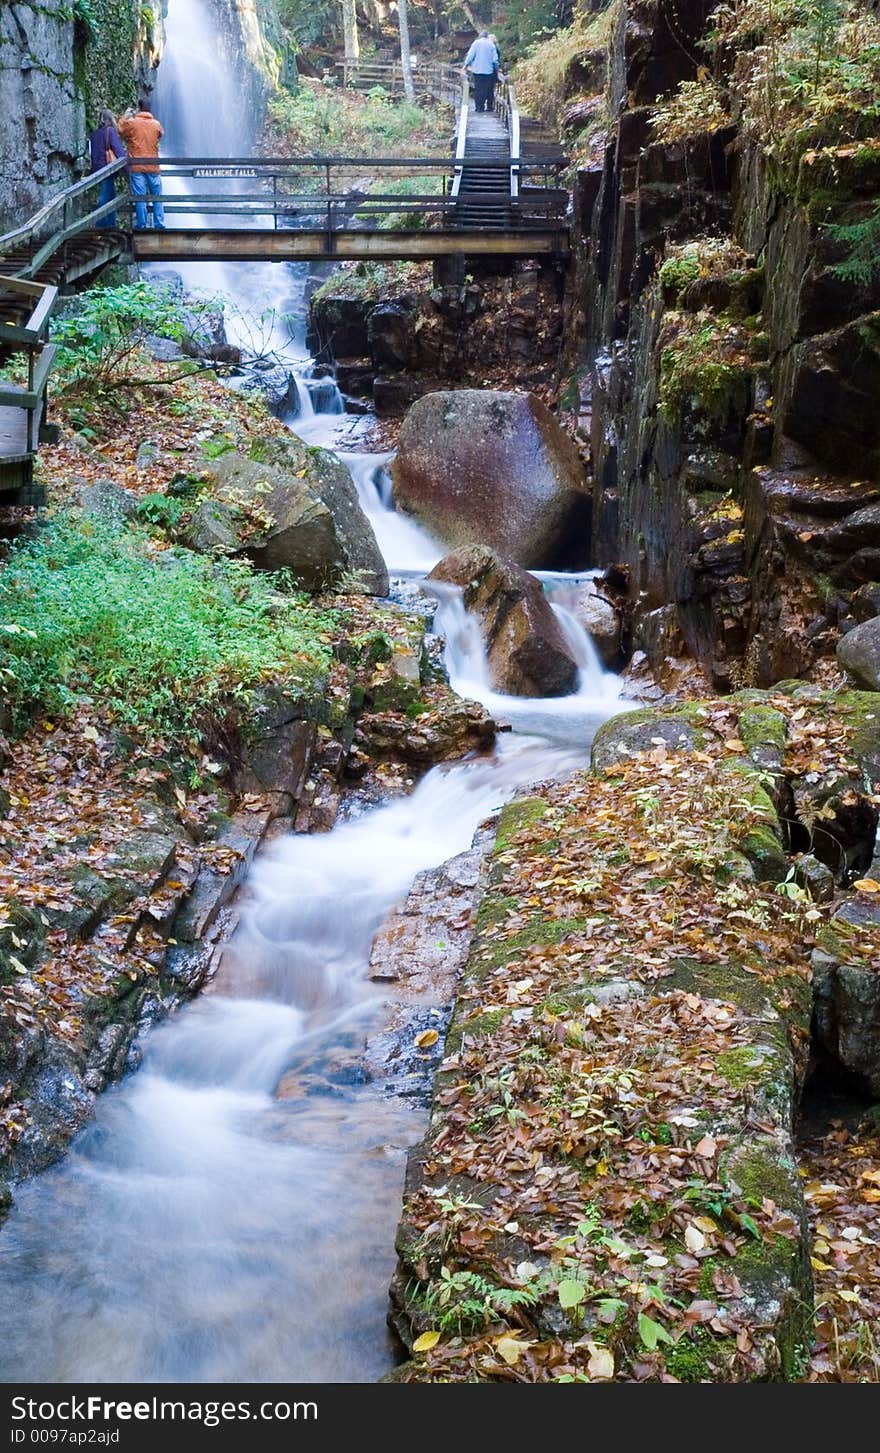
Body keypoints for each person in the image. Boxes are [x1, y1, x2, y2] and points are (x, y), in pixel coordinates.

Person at [118, 98, 166, 230]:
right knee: (157, 196)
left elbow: (120, 130)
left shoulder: (132, 123)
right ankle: (159, 224)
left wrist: (125, 116)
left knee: (140, 196)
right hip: (153, 165)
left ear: (139, 108)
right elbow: (161, 134)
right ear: (150, 109)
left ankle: (142, 224)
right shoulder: (156, 124)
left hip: (137, 165)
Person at [88, 108, 125, 228]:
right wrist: (126, 166)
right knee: (105, 196)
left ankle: (111, 224)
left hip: (97, 168)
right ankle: (101, 223)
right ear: (110, 119)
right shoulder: (110, 131)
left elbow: (92, 152)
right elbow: (118, 150)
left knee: (111, 195)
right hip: (108, 168)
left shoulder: (94, 134)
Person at [463, 31, 500, 114]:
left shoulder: (476, 43)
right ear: (487, 36)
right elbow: (495, 59)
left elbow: (470, 56)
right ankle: (484, 106)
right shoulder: (491, 45)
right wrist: (496, 68)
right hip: (488, 71)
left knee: (478, 88)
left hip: (477, 70)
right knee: (486, 89)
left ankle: (479, 107)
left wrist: (466, 65)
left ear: (480, 36)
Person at [488, 34, 503, 111]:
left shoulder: (490, 48)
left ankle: (484, 105)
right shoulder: (497, 48)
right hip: (493, 70)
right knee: (491, 88)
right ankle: (490, 105)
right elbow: (497, 60)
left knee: (486, 88)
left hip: (488, 69)